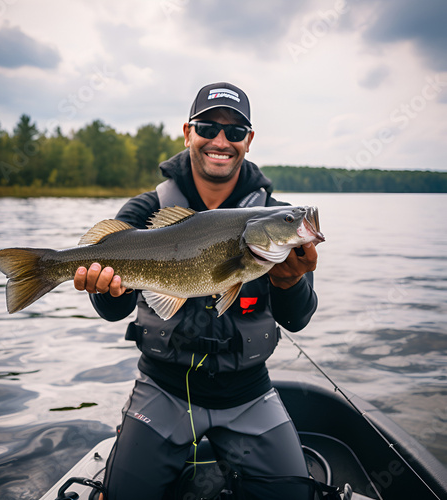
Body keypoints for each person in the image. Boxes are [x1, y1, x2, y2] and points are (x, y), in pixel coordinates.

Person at [74, 82, 319, 500]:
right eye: (208, 127)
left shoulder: (277, 219)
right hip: (162, 388)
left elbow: (296, 318)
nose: (221, 140)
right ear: (188, 133)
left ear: (249, 141)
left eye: (235, 132)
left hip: (248, 391)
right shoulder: (143, 213)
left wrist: (289, 280)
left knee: (293, 495)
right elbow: (112, 312)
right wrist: (106, 290)